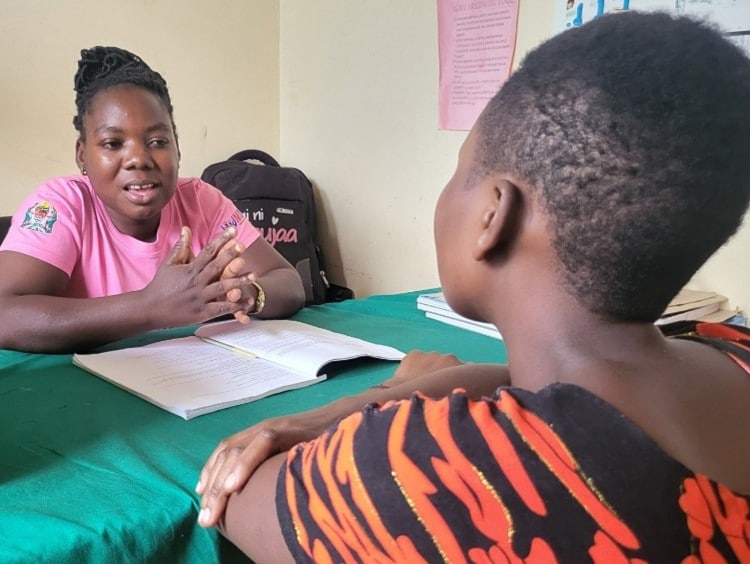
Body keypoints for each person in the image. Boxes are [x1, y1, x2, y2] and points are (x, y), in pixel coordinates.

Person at [196, 11, 750, 562]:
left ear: (493, 216)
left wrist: (387, 397)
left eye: (461, 172)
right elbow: (536, 382)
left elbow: (235, 491)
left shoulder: (447, 473)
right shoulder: (730, 349)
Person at [0, 46, 305, 353]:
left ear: (177, 150)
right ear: (82, 155)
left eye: (158, 142)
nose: (138, 159)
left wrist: (246, 293)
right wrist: (149, 307)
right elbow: (4, 314)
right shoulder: (61, 205)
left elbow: (288, 281)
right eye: (113, 143)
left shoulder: (203, 202)